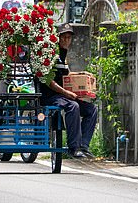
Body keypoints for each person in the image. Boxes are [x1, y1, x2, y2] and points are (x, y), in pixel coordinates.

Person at [39, 23, 98, 159]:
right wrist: (67, 93)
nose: (66, 40)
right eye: (63, 37)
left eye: (69, 38)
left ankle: (83, 146)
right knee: (73, 106)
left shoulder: (64, 56)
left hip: (63, 96)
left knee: (91, 110)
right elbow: (49, 81)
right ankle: (74, 147)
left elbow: (67, 75)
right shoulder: (49, 55)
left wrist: (84, 74)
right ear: (57, 38)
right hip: (51, 96)